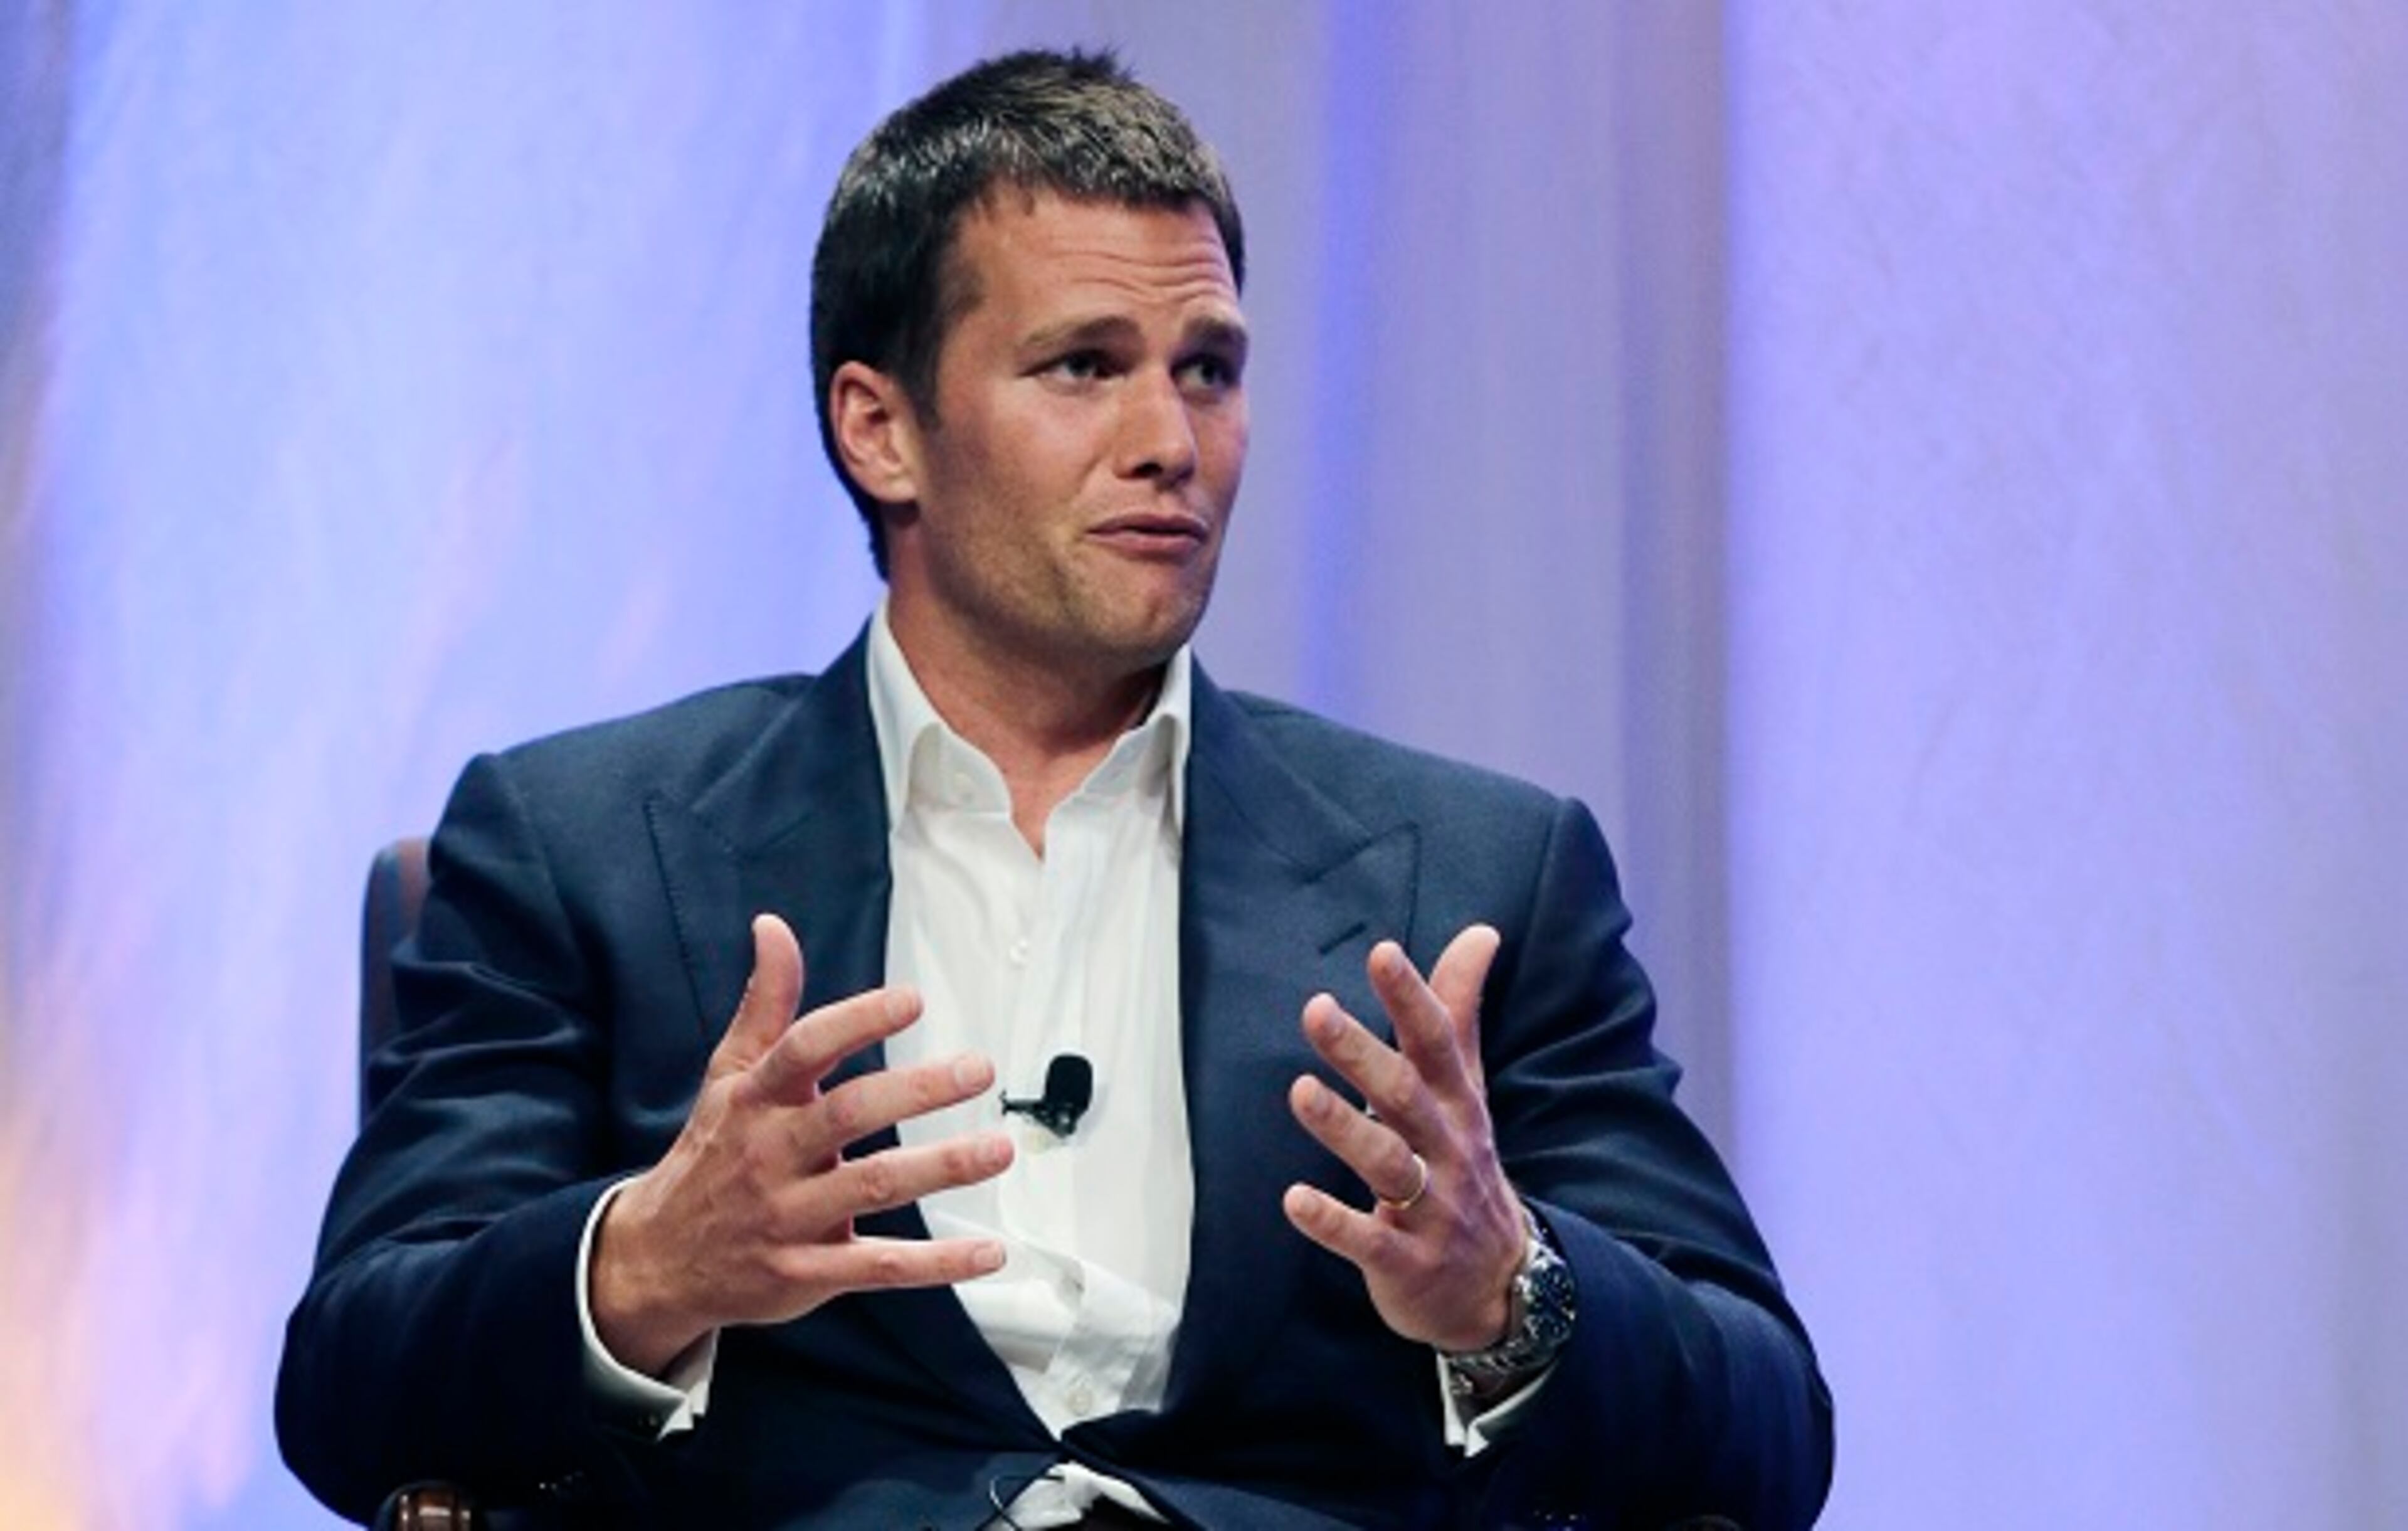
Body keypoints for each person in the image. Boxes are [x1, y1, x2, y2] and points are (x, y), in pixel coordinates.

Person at [277, 48, 1833, 1530]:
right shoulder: (583, 845)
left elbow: (1768, 1419)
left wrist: (1511, 1292)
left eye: (1209, 370)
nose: (1173, 443)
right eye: (1084, 367)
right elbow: (352, 1378)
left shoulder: (1482, 877)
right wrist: (646, 1267)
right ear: (880, 427)